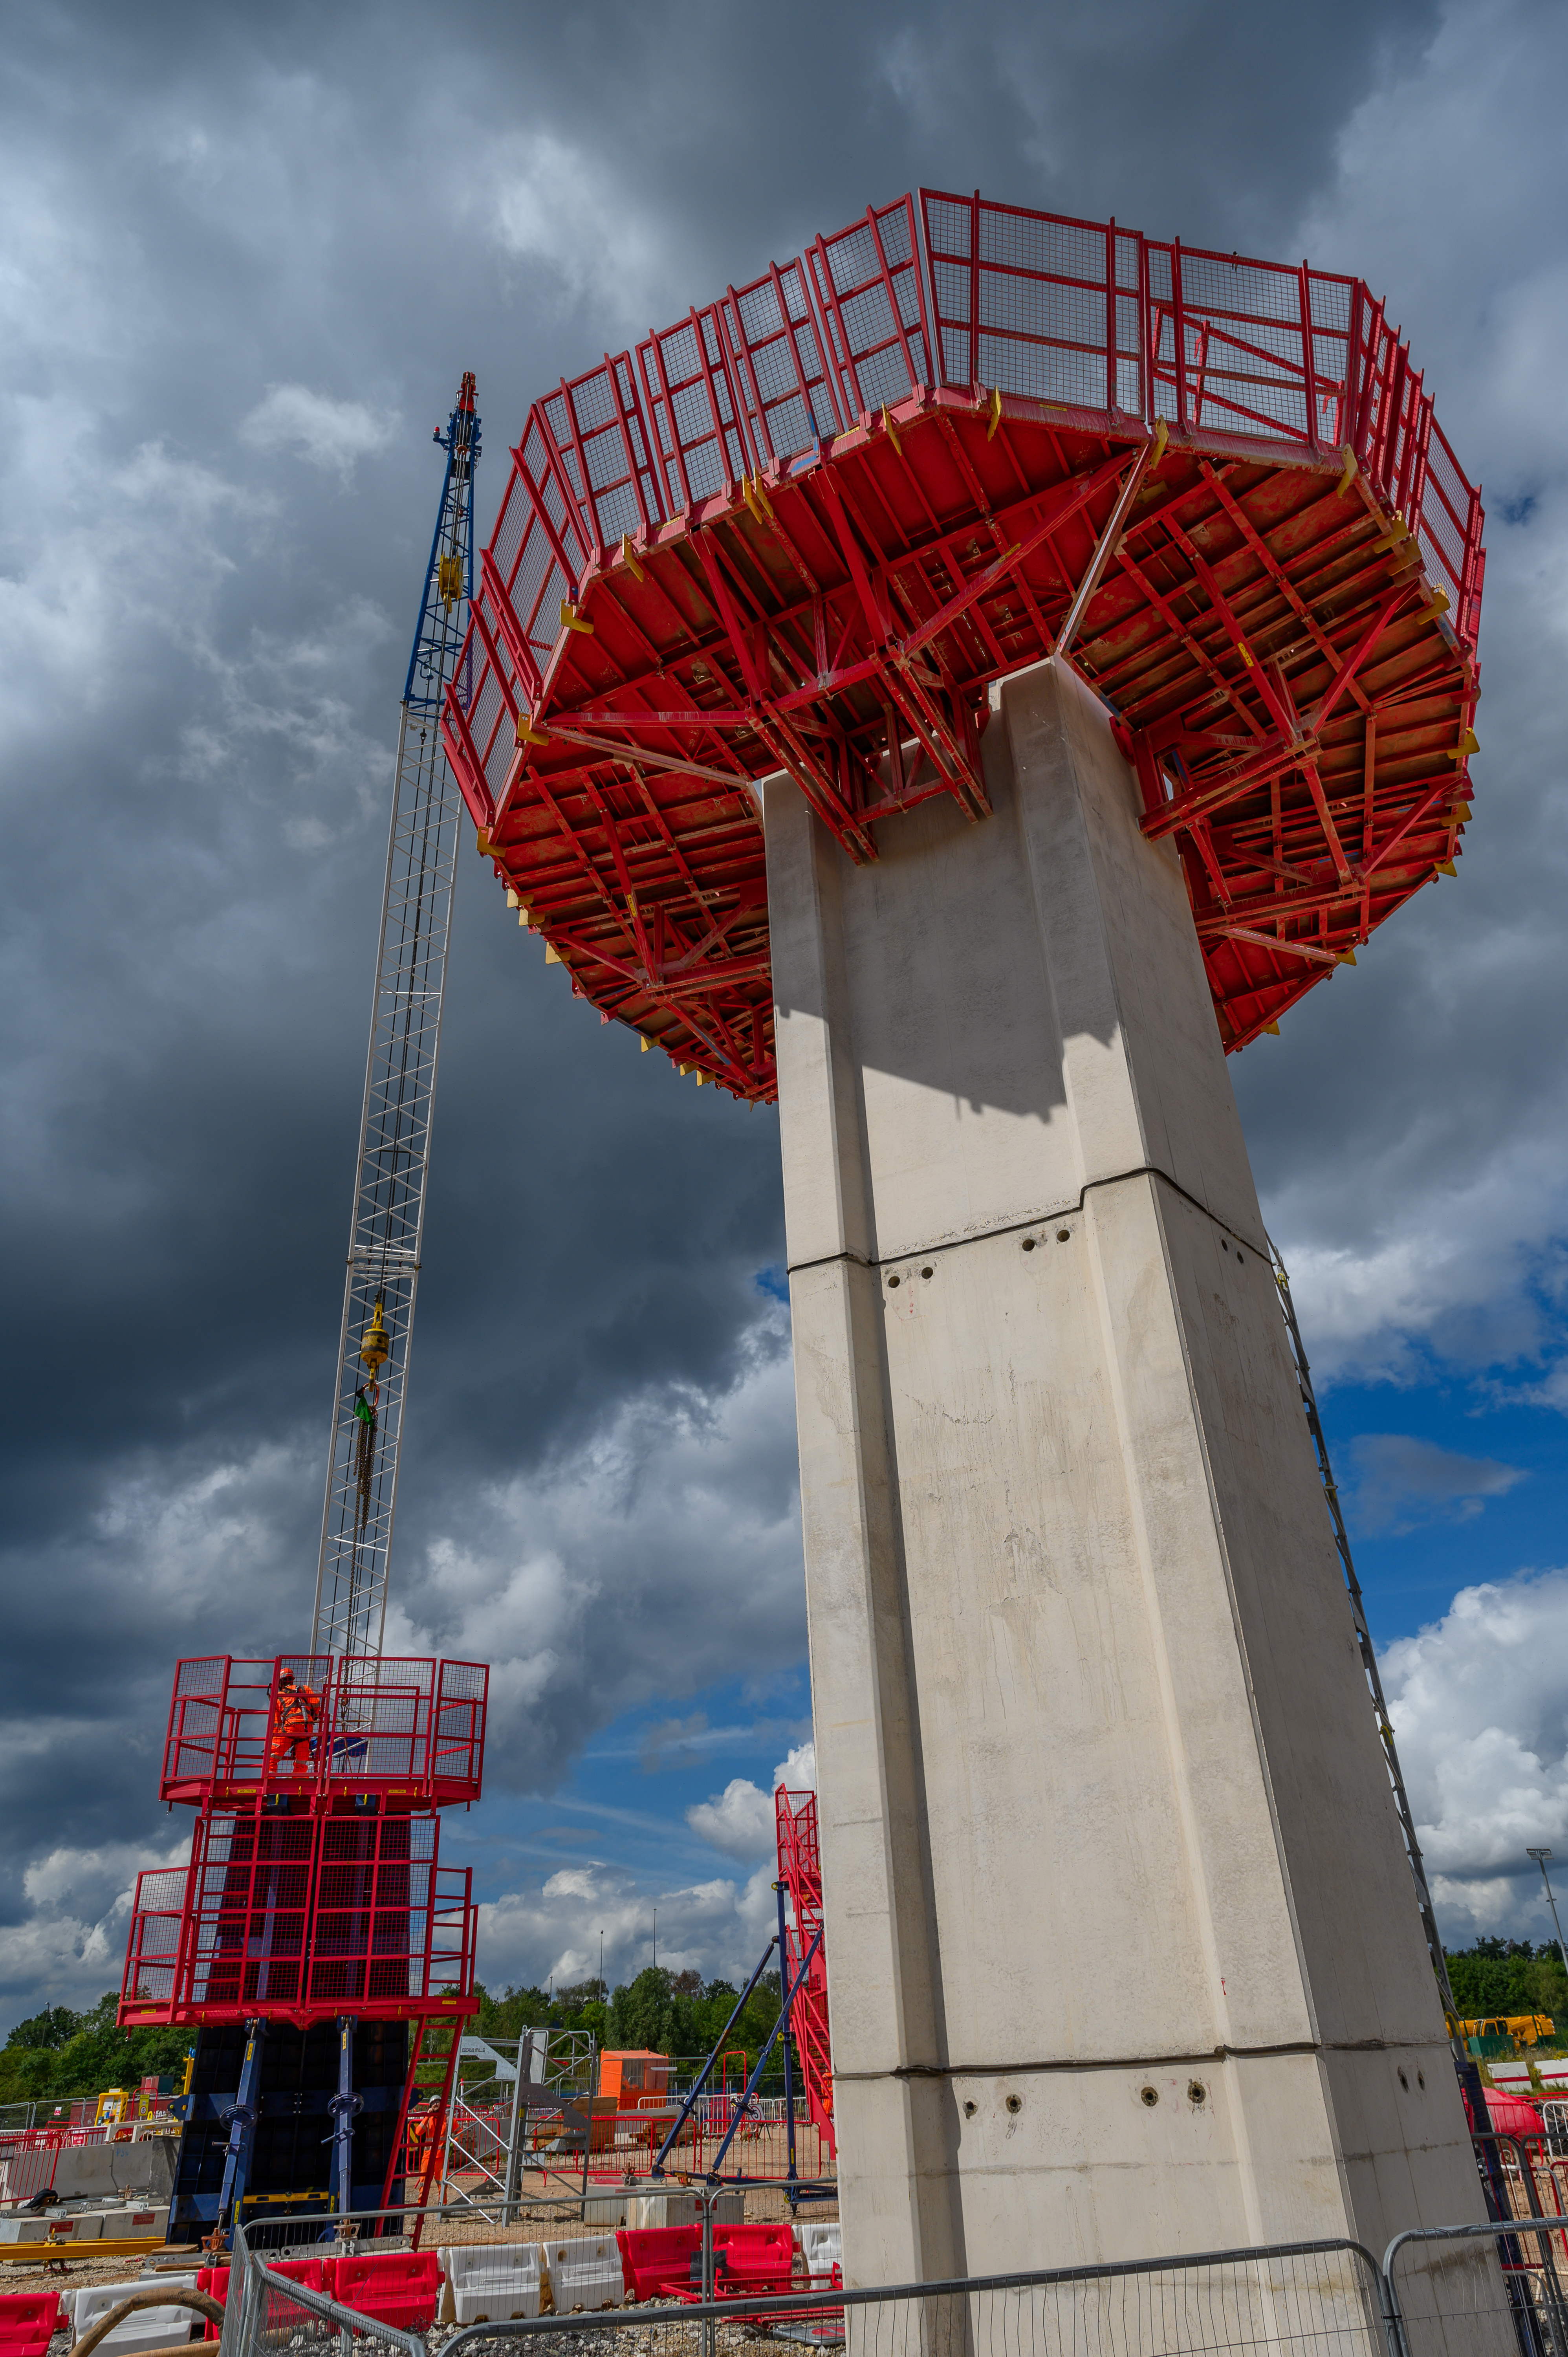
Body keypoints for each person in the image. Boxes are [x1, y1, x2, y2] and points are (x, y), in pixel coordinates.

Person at [268, 1666, 321, 1777]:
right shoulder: (305, 1689)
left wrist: (275, 1738)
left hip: (290, 1729)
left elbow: (276, 1723)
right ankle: (297, 1783)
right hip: (307, 1729)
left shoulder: (278, 1697)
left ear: (280, 1681)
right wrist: (314, 1716)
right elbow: (317, 1703)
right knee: (302, 1761)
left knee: (271, 1758)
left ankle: (269, 1780)